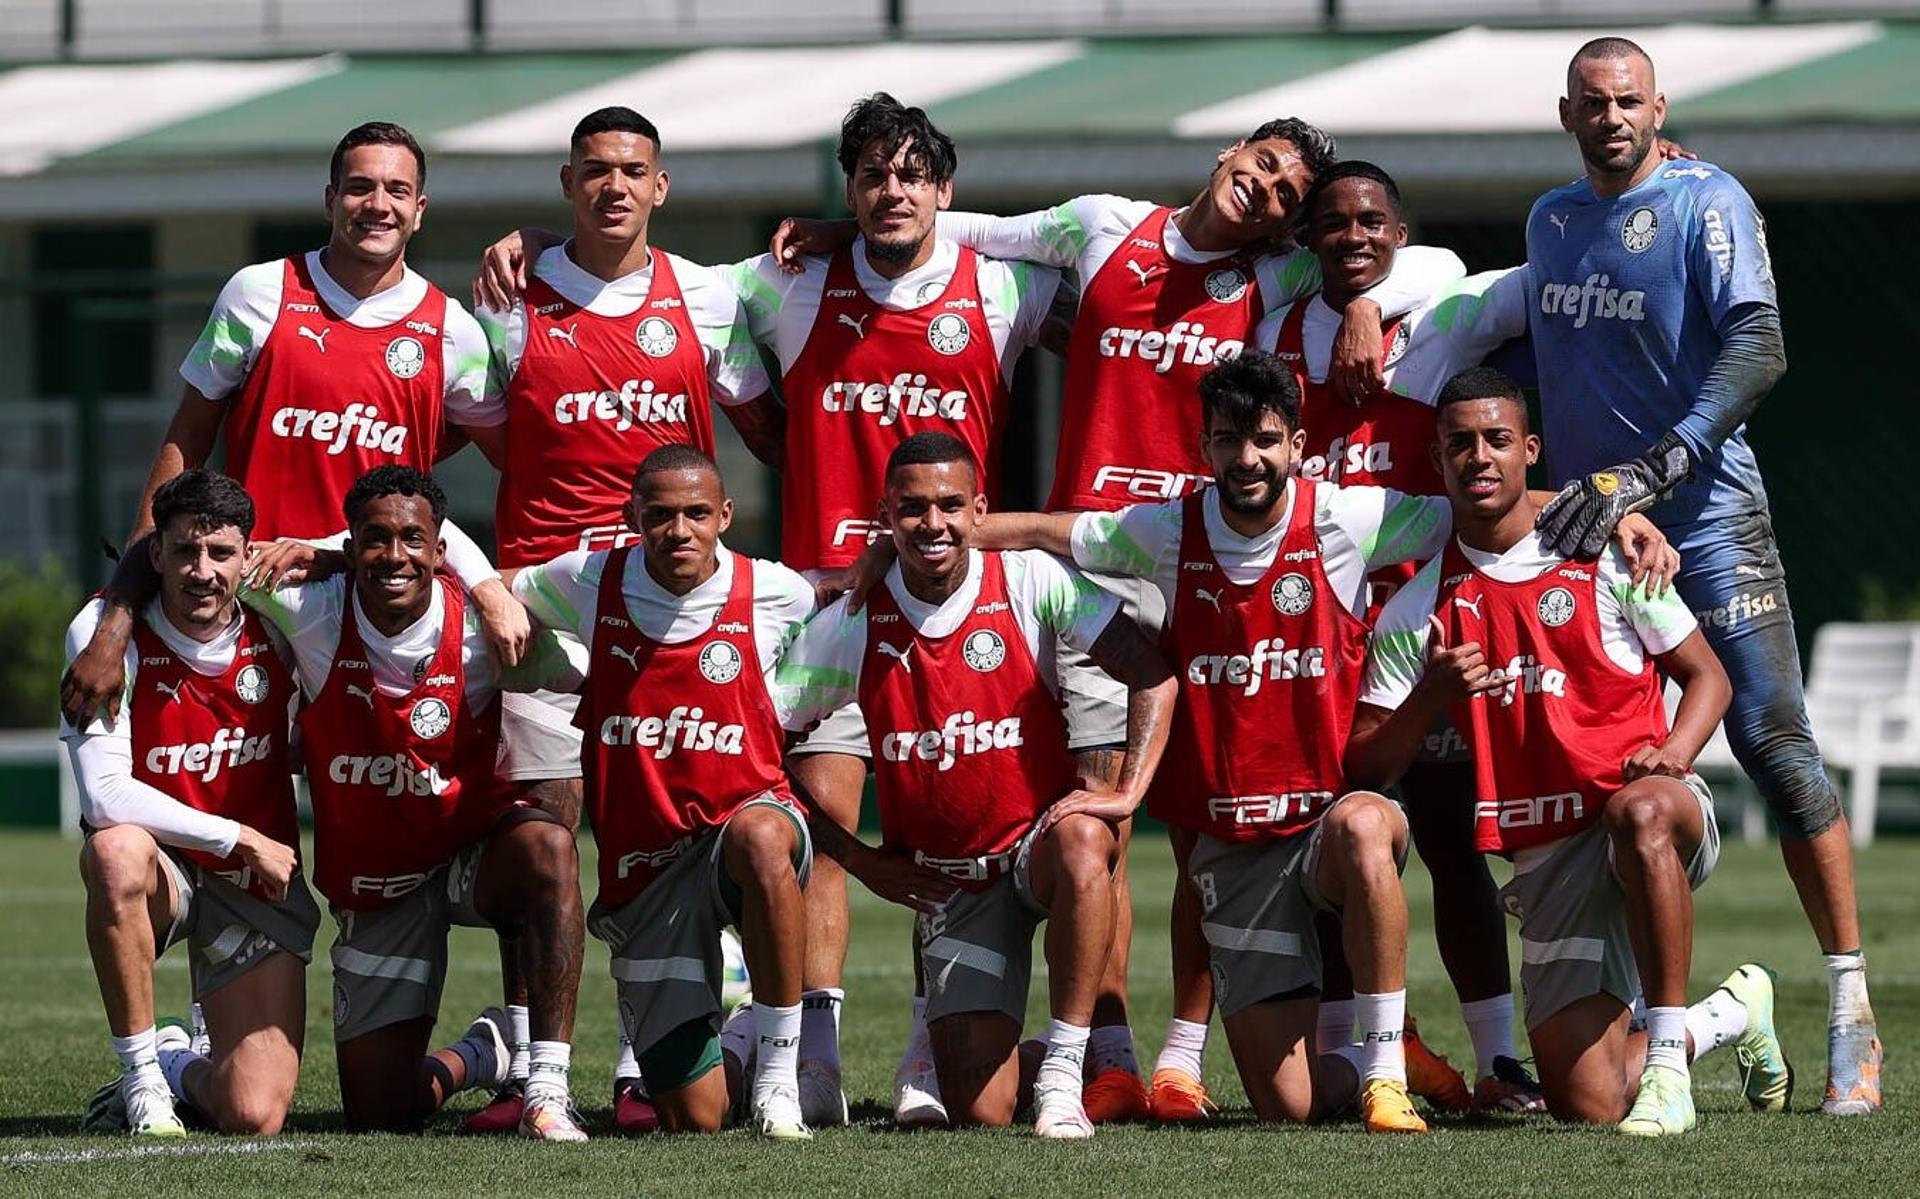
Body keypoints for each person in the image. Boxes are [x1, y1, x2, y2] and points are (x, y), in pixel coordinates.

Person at [771, 116, 1468, 1122]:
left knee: (1197, 826)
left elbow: (1430, 260)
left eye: (1284, 195)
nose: (1266, 191)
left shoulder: (1274, 279)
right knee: (1081, 810)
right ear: (1233, 151)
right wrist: (846, 232)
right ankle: (1099, 1045)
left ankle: (1202, 1048)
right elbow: (969, 233)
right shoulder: (1105, 225)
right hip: (1092, 563)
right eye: (1263, 166)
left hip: (1198, 557)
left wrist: (1362, 301)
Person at [958, 351, 1674, 1131]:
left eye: (1265, 438)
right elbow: (1049, 531)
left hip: (1327, 821)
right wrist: (936, 533)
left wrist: (1611, 513)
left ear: (1297, 445)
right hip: (1238, 843)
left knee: (1370, 824)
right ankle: (1397, 1061)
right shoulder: (1164, 528)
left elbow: (1488, 504)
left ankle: (1384, 1076)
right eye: (1229, 440)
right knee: (1290, 1107)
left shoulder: (1346, 516)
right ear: (1205, 449)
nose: (1248, 457)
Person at [1493, 36, 1878, 1113]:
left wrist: (1657, 466)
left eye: (1629, 101)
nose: (1612, 117)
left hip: (1706, 519)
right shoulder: (1548, 221)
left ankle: (1851, 1006)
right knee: (1586, 762)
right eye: (1593, 103)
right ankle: (1637, 1029)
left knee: (1772, 740)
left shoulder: (1710, 202)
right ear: (1565, 112)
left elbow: (1760, 347)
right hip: (1595, 534)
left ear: (1659, 107)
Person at [1345, 366, 1794, 1134]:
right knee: (1587, 1101)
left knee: (1639, 810)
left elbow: (1707, 677)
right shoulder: (1418, 606)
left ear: (1530, 448)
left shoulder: (1611, 556)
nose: (1477, 458)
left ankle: (1665, 1077)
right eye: (1459, 444)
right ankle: (1732, 1009)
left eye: (1495, 440)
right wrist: (1430, 697)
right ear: (1437, 461)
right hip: (1548, 860)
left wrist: (1675, 754)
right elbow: (1366, 767)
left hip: (1647, 812)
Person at [461, 105, 782, 1134]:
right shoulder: (509, 299)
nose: (612, 186)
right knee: (545, 833)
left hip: (675, 605)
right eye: (594, 169)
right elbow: (466, 428)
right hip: (551, 609)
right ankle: (530, 1067)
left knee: (674, 823)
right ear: (566, 184)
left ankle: (649, 1055)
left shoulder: (711, 296)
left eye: (631, 170)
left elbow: (777, 428)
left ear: (661, 186)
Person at [774, 431, 1177, 1138]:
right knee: (979, 1112)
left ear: (979, 508)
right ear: (885, 514)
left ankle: (1061, 1072)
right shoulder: (853, 622)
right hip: (953, 889)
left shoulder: (1032, 581)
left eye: (951, 505)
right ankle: (1025, 1062)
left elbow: (1151, 670)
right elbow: (762, 746)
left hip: (1035, 851)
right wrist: (861, 858)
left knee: (1088, 837)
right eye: (913, 508)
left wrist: (1129, 792)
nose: (934, 524)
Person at [61, 121, 523, 736]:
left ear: (420, 210)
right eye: (359, 187)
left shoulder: (453, 329)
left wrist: (500, 581)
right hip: (250, 589)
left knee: (374, 798)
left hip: (372, 598)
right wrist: (131, 586)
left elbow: (519, 458)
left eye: (396, 190)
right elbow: (187, 438)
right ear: (331, 200)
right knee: (225, 788)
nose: (377, 205)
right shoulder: (260, 293)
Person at [1259, 159, 1542, 1111]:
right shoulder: (1273, 335)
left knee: (1457, 843)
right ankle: (1365, 1048)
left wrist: (1374, 309)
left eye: (1373, 220)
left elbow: (1499, 270)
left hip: (1429, 625)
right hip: (1316, 643)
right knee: (1337, 844)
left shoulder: (1444, 318)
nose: (1354, 237)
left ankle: (1502, 1060)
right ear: (1308, 239)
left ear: (1400, 231)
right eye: (1332, 223)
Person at [240, 467, 589, 1139]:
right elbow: (191, 565)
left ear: (439, 549)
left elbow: (592, 680)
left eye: (412, 539)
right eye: (374, 539)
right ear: (350, 544)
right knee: (381, 1117)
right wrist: (107, 633)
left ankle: (545, 1088)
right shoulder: (310, 609)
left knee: (548, 847)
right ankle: (480, 1053)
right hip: (379, 884)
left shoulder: (489, 630)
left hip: (468, 860)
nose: (394, 555)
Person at [507, 446, 819, 1138]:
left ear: (725, 516)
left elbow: (837, 623)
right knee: (693, 1117)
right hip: (647, 874)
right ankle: (735, 1024)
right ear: (631, 517)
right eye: (660, 515)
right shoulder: (588, 579)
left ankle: (777, 1079)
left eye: (697, 513)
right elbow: (503, 590)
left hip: (739, 836)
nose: (679, 530)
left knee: (762, 836)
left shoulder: (775, 591)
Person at [66, 470, 315, 1138]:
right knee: (112, 851)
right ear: (156, 555)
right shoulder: (102, 633)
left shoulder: (284, 619)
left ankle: (175, 1062)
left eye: (221, 553)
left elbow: (385, 558)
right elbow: (103, 794)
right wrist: (239, 835)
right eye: (185, 551)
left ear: (248, 554)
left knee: (253, 1112)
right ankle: (143, 1079)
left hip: (250, 882)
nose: (202, 571)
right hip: (169, 869)